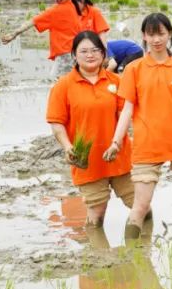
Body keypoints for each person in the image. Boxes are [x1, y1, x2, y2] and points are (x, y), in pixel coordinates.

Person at [103, 13, 172, 240]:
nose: (156, 39)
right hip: (147, 146)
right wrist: (116, 142)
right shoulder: (134, 70)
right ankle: (133, 259)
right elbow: (127, 109)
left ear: (170, 34)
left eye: (161, 34)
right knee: (140, 205)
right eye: (151, 34)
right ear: (144, 36)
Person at [46, 31, 135, 228]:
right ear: (74, 55)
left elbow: (126, 117)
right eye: (84, 51)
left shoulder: (116, 81)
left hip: (119, 156)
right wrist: (68, 147)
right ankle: (96, 253)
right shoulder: (63, 86)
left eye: (95, 50)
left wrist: (116, 143)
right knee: (96, 212)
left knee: (139, 206)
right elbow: (56, 122)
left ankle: (144, 247)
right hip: (87, 160)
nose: (90, 55)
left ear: (103, 54)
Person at [0, 0, 83, 76]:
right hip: (75, 52)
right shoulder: (72, 6)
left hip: (65, 54)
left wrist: (14, 34)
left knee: (58, 81)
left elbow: (32, 22)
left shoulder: (56, 10)